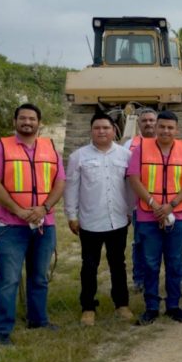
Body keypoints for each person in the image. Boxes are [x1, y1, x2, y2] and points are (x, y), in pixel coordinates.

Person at [0, 103, 65, 345]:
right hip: (10, 226)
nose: (27, 122)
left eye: (32, 118)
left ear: (40, 123)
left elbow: (59, 183)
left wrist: (44, 208)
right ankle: (3, 329)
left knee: (39, 276)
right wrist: (18, 210)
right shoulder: (1, 148)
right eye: (23, 118)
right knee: (9, 279)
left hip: (44, 223)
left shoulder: (50, 148)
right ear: (15, 122)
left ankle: (38, 320)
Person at [127, 110, 182, 325]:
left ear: (177, 130)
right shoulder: (141, 149)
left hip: (177, 215)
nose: (166, 130)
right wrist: (154, 205)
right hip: (148, 215)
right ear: (155, 128)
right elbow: (134, 178)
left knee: (175, 262)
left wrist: (171, 206)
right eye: (162, 126)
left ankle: (174, 305)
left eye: (170, 127)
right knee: (150, 263)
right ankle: (152, 307)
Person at [65, 112, 134, 326]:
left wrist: (130, 211)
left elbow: (130, 186)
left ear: (114, 131)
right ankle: (88, 307)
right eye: (97, 128)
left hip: (117, 220)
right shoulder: (79, 156)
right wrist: (72, 215)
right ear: (91, 131)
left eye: (106, 127)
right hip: (90, 221)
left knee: (118, 264)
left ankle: (121, 304)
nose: (102, 131)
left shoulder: (125, 155)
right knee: (89, 265)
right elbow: (71, 188)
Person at [124, 108, 158, 293]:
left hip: (164, 205)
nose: (149, 124)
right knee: (140, 243)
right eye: (145, 121)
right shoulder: (130, 145)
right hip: (139, 205)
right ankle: (139, 279)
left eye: (152, 120)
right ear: (139, 124)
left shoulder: (167, 143)